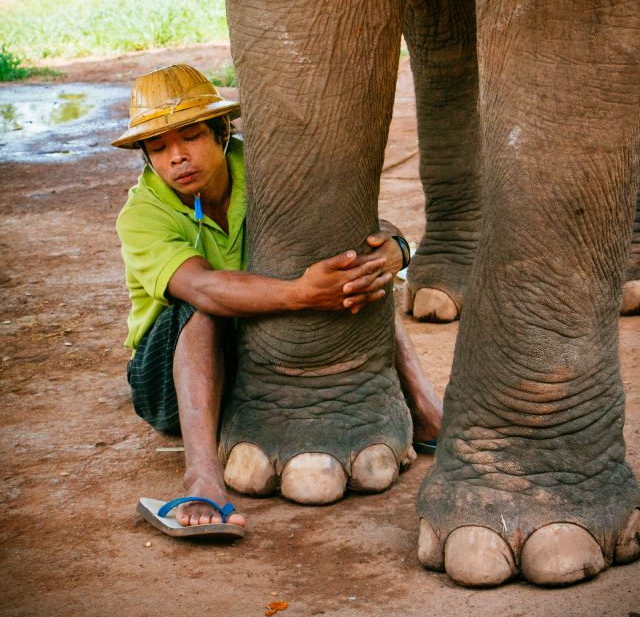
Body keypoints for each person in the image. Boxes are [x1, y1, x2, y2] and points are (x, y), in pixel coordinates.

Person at [113, 63, 441, 538]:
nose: (177, 159)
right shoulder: (142, 214)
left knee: (350, 271)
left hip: (261, 351)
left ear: (223, 131)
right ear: (145, 156)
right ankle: (202, 474)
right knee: (205, 305)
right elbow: (203, 288)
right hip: (169, 375)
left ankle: (427, 410)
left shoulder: (263, 169)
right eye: (159, 148)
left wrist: (394, 251)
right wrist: (303, 293)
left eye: (191, 137)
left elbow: (359, 230)